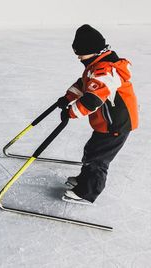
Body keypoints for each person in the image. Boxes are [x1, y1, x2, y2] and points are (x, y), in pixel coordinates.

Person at [57, 24, 138, 205]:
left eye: (81, 54)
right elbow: (84, 84)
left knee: (98, 158)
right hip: (106, 123)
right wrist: (67, 97)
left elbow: (92, 99)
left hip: (116, 124)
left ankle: (88, 192)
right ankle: (85, 180)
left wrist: (71, 112)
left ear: (93, 51)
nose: (79, 57)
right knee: (92, 151)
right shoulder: (95, 66)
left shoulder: (105, 71)